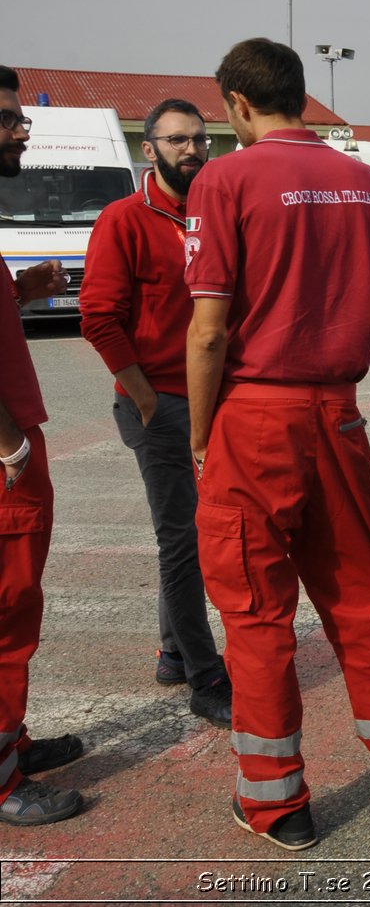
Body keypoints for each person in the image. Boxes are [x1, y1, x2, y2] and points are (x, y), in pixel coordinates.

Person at [185, 38, 370, 851]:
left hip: (253, 418)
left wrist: (199, 436)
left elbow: (207, 332)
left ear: (235, 102)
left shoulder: (223, 179)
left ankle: (278, 802)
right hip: (338, 414)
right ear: (301, 94)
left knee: (258, 615)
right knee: (358, 595)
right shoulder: (365, 181)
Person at [79, 99, 231, 727]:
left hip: (210, 400)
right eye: (177, 141)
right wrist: (145, 399)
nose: (193, 150)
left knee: (192, 535)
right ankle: (204, 675)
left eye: (200, 140)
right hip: (158, 403)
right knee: (182, 539)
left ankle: (173, 650)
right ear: (151, 149)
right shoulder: (124, 220)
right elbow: (98, 318)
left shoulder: (215, 214)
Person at [0, 65, 83, 827]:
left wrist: (18, 294)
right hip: (2, 460)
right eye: (6, 118)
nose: (21, 129)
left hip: (13, 447)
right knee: (4, 610)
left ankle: (11, 744)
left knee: (17, 605)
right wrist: (9, 445)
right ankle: (2, 781)